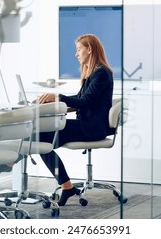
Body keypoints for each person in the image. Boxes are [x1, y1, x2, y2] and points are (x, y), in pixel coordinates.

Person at [37, 34, 115, 206]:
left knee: (40, 139)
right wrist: (55, 101)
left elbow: (85, 102)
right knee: (41, 139)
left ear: (90, 49)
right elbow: (81, 98)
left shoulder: (101, 73)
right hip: (88, 126)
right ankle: (66, 186)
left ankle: (66, 185)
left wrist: (58, 97)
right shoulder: (94, 72)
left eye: (79, 49)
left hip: (91, 129)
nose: (76, 54)